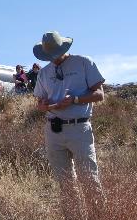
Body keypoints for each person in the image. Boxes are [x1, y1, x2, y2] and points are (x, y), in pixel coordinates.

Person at [32, 31, 105, 201]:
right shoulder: (44, 73)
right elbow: (39, 103)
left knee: (89, 179)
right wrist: (42, 106)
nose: (53, 58)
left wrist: (76, 100)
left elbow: (100, 94)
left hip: (79, 129)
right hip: (53, 131)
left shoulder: (84, 63)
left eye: (56, 54)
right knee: (64, 184)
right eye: (49, 55)